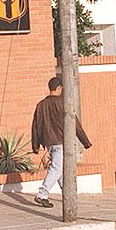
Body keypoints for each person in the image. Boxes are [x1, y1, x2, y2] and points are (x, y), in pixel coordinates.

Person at [31, 76, 92, 208]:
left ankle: (68, 193)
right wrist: (85, 141)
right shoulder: (63, 103)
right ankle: (42, 194)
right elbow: (74, 123)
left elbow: (35, 126)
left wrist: (35, 145)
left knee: (59, 168)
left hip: (49, 142)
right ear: (59, 88)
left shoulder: (40, 105)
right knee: (57, 168)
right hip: (60, 140)